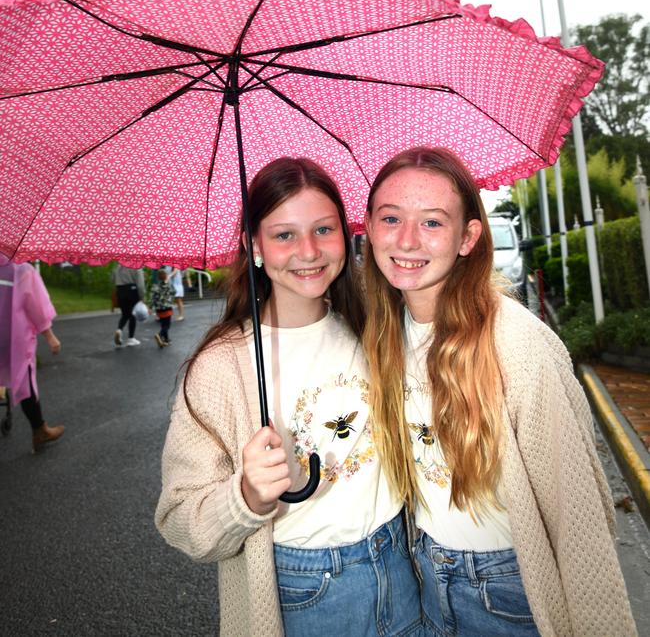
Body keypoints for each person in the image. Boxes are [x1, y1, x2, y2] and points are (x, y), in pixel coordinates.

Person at [363, 147, 638, 637]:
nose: (406, 240)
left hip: (507, 588)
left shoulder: (515, 342)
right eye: (390, 217)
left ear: (468, 237)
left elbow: (576, 510)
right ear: (368, 225)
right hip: (421, 575)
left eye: (432, 223)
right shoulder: (383, 331)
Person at [155, 158, 423, 637]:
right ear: (252, 246)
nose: (308, 251)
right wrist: (245, 497)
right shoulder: (221, 368)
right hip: (303, 595)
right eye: (283, 235)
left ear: (347, 233)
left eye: (324, 229)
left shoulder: (375, 326)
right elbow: (180, 519)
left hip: (403, 568)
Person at [0, 255, 65, 453]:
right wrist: (50, 336)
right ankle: (39, 430)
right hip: (13, 340)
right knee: (24, 380)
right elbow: (36, 307)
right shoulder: (22, 270)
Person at [111, 263, 145, 347]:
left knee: (125, 314)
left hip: (120, 291)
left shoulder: (118, 266)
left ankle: (119, 330)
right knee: (133, 315)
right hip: (132, 291)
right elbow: (140, 284)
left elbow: (112, 279)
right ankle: (131, 338)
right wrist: (142, 296)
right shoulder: (136, 265)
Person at [150, 267, 175, 348]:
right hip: (167, 307)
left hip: (159, 309)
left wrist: (150, 307)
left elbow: (152, 298)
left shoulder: (155, 286)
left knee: (163, 324)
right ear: (166, 276)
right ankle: (159, 335)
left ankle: (166, 340)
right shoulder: (168, 285)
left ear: (158, 277)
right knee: (167, 325)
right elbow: (174, 292)